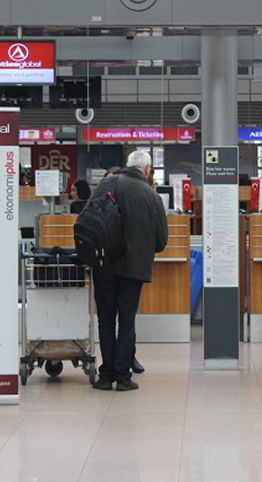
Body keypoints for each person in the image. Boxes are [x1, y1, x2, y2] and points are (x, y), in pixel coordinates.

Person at [90, 151, 168, 391]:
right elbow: (161, 241)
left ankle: (106, 376)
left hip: (103, 264)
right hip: (133, 268)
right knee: (126, 320)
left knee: (105, 319)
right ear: (146, 170)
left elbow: (88, 220)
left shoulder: (106, 184)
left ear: (127, 166)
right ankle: (123, 377)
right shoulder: (150, 195)